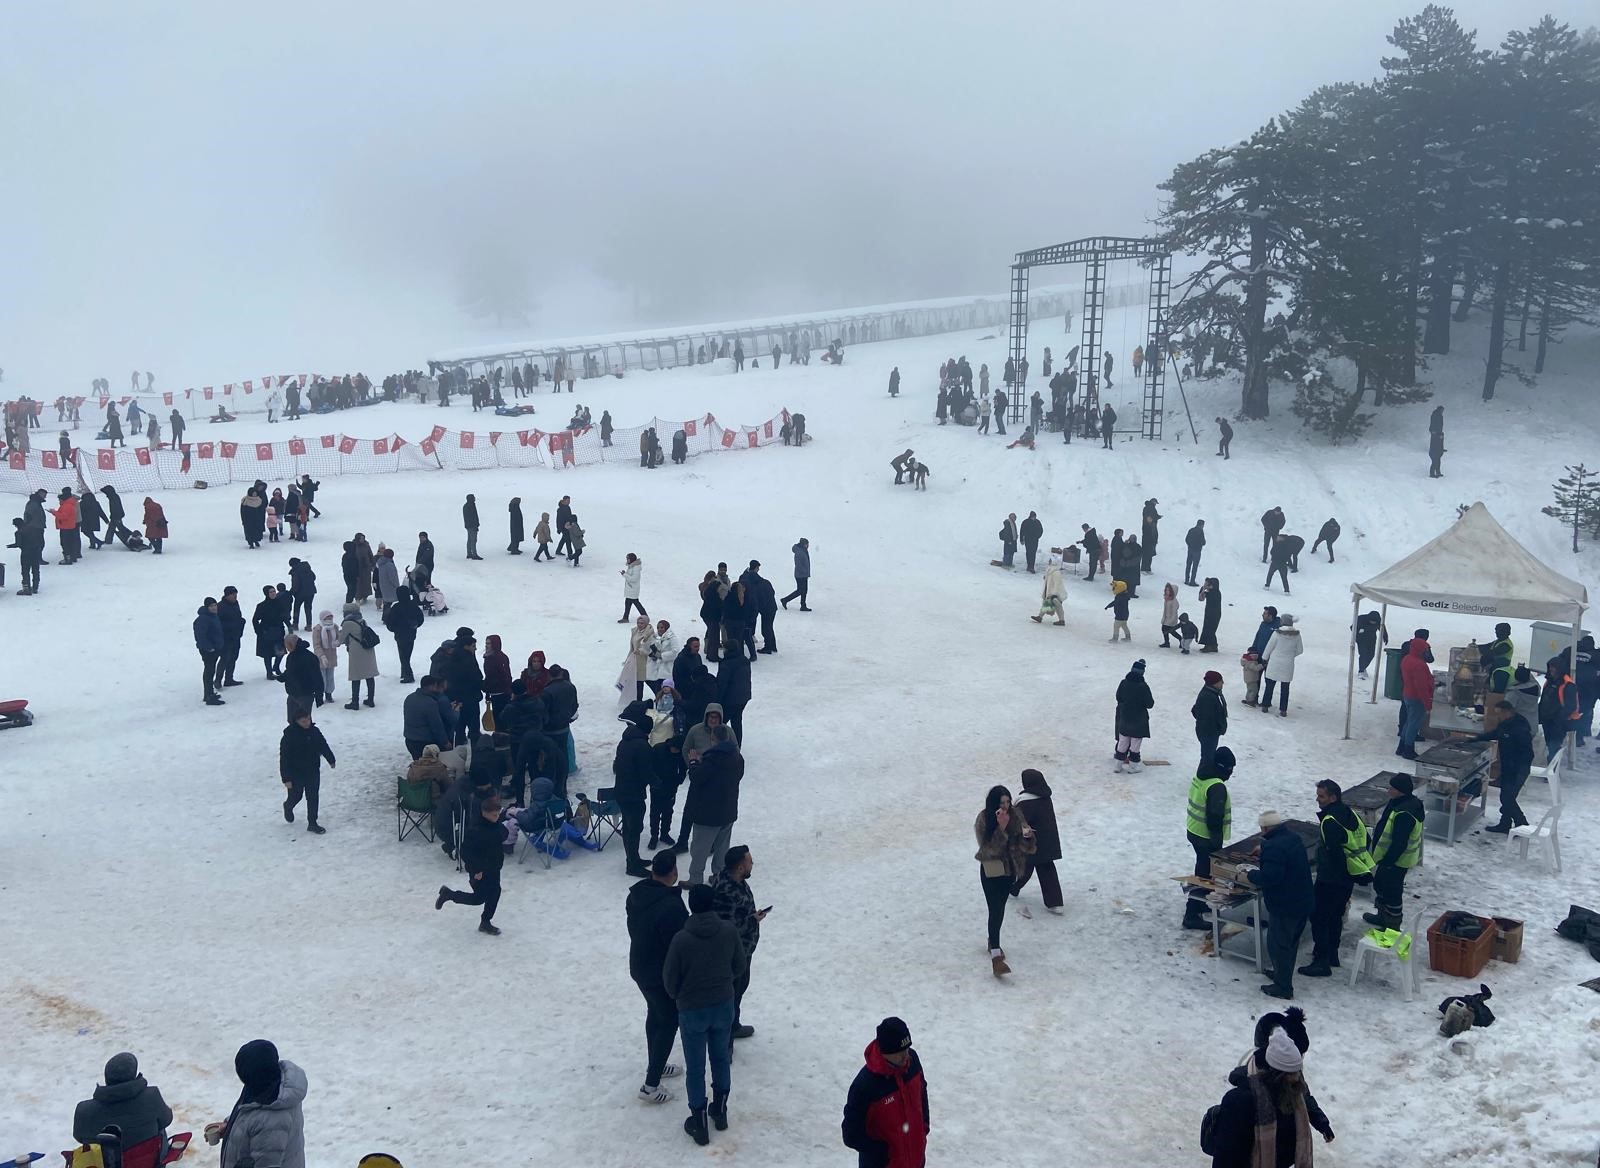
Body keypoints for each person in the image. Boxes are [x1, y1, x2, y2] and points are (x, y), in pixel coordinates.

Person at [663, 883, 745, 1145]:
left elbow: (669, 979)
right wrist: (725, 982)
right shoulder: (729, 931)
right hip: (723, 1005)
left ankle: (698, 1124)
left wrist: (680, 996)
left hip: (692, 1010)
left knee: (695, 1068)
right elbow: (740, 965)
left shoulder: (681, 939)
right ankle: (720, 1112)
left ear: (691, 906)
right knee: (720, 1058)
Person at [1207, 1025, 1333, 1167]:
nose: (1298, 1077)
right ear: (1277, 1073)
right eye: (1292, 1073)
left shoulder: (1292, 1091)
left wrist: (1323, 1124)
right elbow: (1226, 1155)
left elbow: (1307, 1101)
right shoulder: (1240, 1101)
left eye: (1298, 1071)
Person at [627, 849, 689, 1105]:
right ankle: (651, 1085)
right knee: (668, 1021)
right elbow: (679, 946)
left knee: (655, 1015)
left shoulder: (637, 895)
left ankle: (657, 1063)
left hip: (640, 966)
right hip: (660, 974)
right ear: (673, 873)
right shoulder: (672, 906)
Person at [1299, 780, 1373, 978]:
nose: (1317, 799)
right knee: (1335, 917)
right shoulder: (1351, 814)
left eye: (1321, 796)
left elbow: (1334, 853)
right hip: (1349, 877)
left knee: (1319, 917)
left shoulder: (1330, 820)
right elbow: (1366, 839)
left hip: (1331, 879)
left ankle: (1321, 960)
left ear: (1333, 797)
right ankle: (1332, 954)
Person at [841, 1016, 929, 1168]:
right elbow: (851, 1135)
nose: (906, 1055)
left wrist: (923, 1127)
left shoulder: (912, 1062)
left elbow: (922, 1092)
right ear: (886, 1051)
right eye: (900, 1052)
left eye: (907, 1049)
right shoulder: (865, 1086)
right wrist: (881, 1153)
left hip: (915, 1161)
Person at [1245, 810, 1313, 999]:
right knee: (1291, 942)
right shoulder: (1292, 838)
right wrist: (1265, 849)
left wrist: (1249, 874)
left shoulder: (1274, 847)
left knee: (1279, 944)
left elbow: (1269, 878)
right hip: (1303, 900)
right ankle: (1282, 974)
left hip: (1286, 905)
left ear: (1265, 828)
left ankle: (1283, 987)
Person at [213, 1040, 307, 1168]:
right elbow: (250, 1112)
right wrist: (230, 1126)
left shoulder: (272, 1121)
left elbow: (267, 1161)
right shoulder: (270, 1081)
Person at [974, 785, 1036, 977]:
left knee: (999, 908)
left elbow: (1027, 847)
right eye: (1002, 803)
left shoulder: (1016, 815)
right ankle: (996, 955)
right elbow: (986, 850)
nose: (1007, 806)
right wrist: (1000, 829)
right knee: (996, 909)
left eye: (1008, 802)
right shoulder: (984, 819)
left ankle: (992, 942)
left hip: (1010, 872)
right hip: (992, 871)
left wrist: (1028, 837)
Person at [710, 844, 766, 1043]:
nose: (752, 864)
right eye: (750, 861)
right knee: (730, 996)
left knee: (738, 991)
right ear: (740, 867)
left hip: (744, 950)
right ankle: (726, 1041)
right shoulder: (726, 891)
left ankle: (734, 1025)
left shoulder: (737, 880)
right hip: (732, 954)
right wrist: (753, 920)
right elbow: (727, 927)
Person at [434, 793, 507, 934]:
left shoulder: (495, 825)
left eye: (498, 814)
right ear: (484, 813)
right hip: (480, 871)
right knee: (479, 898)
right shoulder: (476, 831)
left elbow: (503, 834)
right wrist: (476, 870)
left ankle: (486, 922)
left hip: (494, 867)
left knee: (495, 893)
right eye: (494, 815)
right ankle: (449, 894)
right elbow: (466, 852)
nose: (497, 817)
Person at [74, 1052, 174, 1152]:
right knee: (159, 1125)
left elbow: (79, 1137)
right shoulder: (152, 1096)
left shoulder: (84, 1110)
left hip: (104, 1163)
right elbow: (167, 1119)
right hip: (146, 1161)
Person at [685, 724, 744, 885]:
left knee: (700, 848)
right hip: (729, 809)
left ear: (712, 739)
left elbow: (697, 778)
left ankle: (695, 879)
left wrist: (693, 762)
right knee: (722, 848)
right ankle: (719, 876)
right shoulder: (737, 757)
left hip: (708, 813)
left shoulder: (712, 759)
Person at [1182, 746, 1234, 930]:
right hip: (1206, 836)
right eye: (1230, 769)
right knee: (1204, 874)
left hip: (1194, 830)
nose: (1231, 774)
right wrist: (1216, 841)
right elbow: (1214, 816)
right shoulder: (1216, 786)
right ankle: (1192, 913)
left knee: (1202, 869)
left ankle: (1201, 902)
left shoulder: (1201, 775)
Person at [1463, 701, 1535, 833]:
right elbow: (1495, 734)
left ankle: (1522, 824)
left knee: (1507, 798)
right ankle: (1505, 824)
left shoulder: (1520, 727)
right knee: (1507, 796)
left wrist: (1517, 766)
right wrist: (1476, 739)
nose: (1497, 717)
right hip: (1508, 766)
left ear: (1506, 712)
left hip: (1518, 768)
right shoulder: (1505, 724)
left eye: (1499, 713)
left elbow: (1528, 752)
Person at [1363, 775, 1423, 930]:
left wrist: (1388, 861)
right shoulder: (1400, 802)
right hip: (1390, 859)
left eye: (1392, 788)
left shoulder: (1405, 813)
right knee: (1381, 885)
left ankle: (1392, 925)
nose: (1388, 790)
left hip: (1396, 861)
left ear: (1400, 791)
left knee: (1392, 892)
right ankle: (1382, 916)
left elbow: (1399, 843)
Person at [1012, 768, 1064, 916]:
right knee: (1046, 871)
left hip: (1031, 843)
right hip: (1048, 843)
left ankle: (1012, 888)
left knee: (1025, 867)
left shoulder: (1025, 803)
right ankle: (1055, 903)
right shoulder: (1045, 798)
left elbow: (1018, 823)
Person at [614, 700, 656, 877]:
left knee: (629, 827)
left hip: (621, 791)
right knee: (634, 829)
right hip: (634, 794)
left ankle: (633, 858)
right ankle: (632, 865)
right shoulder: (642, 746)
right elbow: (646, 771)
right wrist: (657, 783)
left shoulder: (624, 741)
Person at [279, 709, 334, 834]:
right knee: (296, 796)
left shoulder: (314, 732)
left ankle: (312, 823)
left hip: (313, 770)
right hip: (295, 773)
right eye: (303, 721)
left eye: (308, 720)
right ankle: (288, 806)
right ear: (296, 721)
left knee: (313, 796)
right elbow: (284, 759)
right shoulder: (289, 736)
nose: (307, 723)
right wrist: (286, 778)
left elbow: (323, 745)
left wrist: (331, 759)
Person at [336, 603, 380, 710]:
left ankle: (355, 702)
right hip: (367, 650)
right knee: (369, 676)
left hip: (356, 653)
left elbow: (340, 640)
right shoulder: (362, 620)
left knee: (356, 676)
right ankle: (370, 700)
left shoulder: (347, 623)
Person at [1258, 614, 1303, 717]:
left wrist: (1264, 658)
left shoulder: (1276, 633)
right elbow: (1300, 650)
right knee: (1285, 688)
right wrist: (1290, 655)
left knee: (1270, 685)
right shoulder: (1297, 635)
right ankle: (1283, 710)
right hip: (1288, 664)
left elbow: (1269, 647)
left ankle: (1265, 705)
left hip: (1274, 662)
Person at [1114, 659, 1154, 773]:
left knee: (1123, 741)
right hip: (1139, 719)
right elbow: (1150, 704)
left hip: (1125, 716)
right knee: (1135, 743)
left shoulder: (1123, 682)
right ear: (1142, 672)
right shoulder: (1143, 686)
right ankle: (1133, 766)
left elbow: (1118, 697)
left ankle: (1118, 765)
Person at [1396, 639, 1433, 760]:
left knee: (1408, 722)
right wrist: (1428, 704)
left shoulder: (1406, 659)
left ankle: (1401, 746)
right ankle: (1408, 749)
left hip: (1407, 695)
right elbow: (1421, 687)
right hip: (1417, 698)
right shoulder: (1419, 665)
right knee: (1414, 724)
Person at [384, 586, 425, 684]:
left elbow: (389, 621)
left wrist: (394, 629)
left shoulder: (396, 608)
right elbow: (421, 618)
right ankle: (404, 672)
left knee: (403, 655)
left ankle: (408, 675)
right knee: (407, 654)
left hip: (400, 634)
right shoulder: (413, 605)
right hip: (411, 633)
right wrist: (415, 625)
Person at [1191, 670, 1228, 775]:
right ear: (1215, 682)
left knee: (1208, 756)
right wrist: (1217, 727)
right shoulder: (1208, 696)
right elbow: (1198, 712)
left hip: (1209, 732)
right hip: (1208, 733)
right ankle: (1201, 778)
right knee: (1207, 758)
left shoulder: (1211, 692)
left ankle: (1203, 776)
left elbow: (1195, 710)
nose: (1223, 683)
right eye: (1221, 681)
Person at [281, 633, 324, 721]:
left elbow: (317, 677)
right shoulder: (291, 656)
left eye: (287, 646)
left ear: (291, 645)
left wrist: (319, 695)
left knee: (304, 722)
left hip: (305, 695)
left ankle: (308, 735)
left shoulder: (309, 657)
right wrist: (282, 677)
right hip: (292, 694)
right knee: (292, 720)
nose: (286, 648)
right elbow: (290, 671)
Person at [1242, 607, 1280, 707]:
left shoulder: (1278, 626)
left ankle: (1266, 702)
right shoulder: (1263, 624)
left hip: (1271, 659)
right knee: (1255, 679)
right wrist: (1252, 651)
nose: (1262, 615)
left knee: (1269, 681)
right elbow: (1257, 637)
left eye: (1265, 613)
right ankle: (1253, 699)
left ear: (1270, 616)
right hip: (1258, 657)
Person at [194, 597, 226, 707]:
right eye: (211, 606)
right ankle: (208, 696)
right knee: (209, 671)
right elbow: (200, 636)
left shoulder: (213, 616)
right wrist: (209, 647)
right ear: (207, 607)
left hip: (215, 649)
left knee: (211, 670)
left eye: (215, 605)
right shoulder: (203, 619)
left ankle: (209, 693)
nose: (214, 607)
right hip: (208, 650)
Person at [1031, 556, 1066, 626]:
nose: (1049, 561)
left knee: (1057, 606)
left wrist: (1055, 594)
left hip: (1055, 593)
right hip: (1050, 592)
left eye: (1050, 560)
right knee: (1047, 604)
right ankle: (1040, 617)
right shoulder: (1050, 570)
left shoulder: (1056, 572)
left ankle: (1061, 620)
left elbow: (1057, 584)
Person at [1354, 610, 1387, 680]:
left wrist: (1385, 637)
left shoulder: (1378, 620)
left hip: (1371, 639)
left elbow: (1382, 628)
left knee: (1371, 655)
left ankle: (1363, 667)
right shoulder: (1361, 619)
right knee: (1363, 654)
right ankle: (1361, 671)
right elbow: (1352, 628)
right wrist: (1359, 632)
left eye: (1374, 622)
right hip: (1361, 639)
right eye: (1372, 621)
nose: (1373, 623)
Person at [780, 538, 811, 611]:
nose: (808, 545)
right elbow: (799, 564)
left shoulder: (803, 550)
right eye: (807, 544)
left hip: (803, 574)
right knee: (800, 590)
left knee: (804, 590)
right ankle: (785, 600)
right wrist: (804, 572)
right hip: (800, 575)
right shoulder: (800, 552)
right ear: (804, 544)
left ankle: (803, 605)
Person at [620, 552, 647, 622]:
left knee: (635, 603)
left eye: (628, 558)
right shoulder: (631, 566)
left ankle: (644, 616)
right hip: (630, 589)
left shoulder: (636, 568)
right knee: (629, 603)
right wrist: (625, 574)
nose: (627, 560)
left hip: (633, 589)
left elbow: (634, 579)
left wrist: (625, 574)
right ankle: (626, 618)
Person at [1198, 577, 1221, 653]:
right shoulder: (1208, 590)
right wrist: (1203, 589)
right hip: (1208, 612)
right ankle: (1213, 645)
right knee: (1207, 628)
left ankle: (1209, 646)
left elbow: (1212, 597)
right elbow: (1201, 599)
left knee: (1211, 629)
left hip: (1215, 613)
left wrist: (1207, 589)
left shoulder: (1216, 592)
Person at [1182, 520, 1206, 587]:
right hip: (1197, 551)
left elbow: (1186, 539)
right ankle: (1192, 581)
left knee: (1188, 564)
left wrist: (1190, 545)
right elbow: (1203, 542)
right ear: (1201, 525)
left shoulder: (1191, 530)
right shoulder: (1201, 532)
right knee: (1195, 566)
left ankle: (1187, 580)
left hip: (1190, 550)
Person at [1160, 583, 1181, 648]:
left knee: (1170, 631)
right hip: (1166, 618)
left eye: (1168, 590)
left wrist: (1171, 620)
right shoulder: (1166, 599)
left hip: (1171, 619)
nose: (1167, 591)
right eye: (1166, 590)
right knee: (1164, 629)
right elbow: (1165, 610)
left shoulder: (1173, 601)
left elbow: (1174, 612)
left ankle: (1180, 639)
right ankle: (1167, 642)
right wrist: (1163, 618)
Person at [462, 493, 482, 559]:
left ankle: (469, 553)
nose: (475, 498)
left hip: (469, 526)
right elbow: (472, 517)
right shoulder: (471, 506)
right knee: (473, 540)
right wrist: (475, 526)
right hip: (472, 526)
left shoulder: (467, 505)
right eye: (473, 497)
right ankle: (474, 555)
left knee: (470, 540)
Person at [1428, 407, 1446, 478]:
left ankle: (1438, 472)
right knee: (1435, 459)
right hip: (1436, 436)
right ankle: (1432, 473)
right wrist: (1434, 431)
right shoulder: (1435, 415)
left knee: (1438, 459)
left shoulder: (1439, 415)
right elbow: (1433, 425)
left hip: (1438, 434)